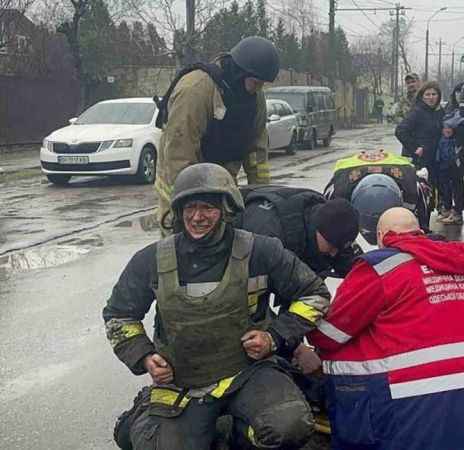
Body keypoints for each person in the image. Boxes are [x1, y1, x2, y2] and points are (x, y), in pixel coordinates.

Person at [104, 163, 331, 450]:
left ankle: (235, 434)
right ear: (178, 211)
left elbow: (315, 295)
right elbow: (119, 316)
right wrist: (145, 357)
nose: (198, 217)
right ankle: (163, 418)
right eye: (190, 208)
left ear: (226, 209)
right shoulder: (150, 260)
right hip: (182, 381)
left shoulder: (262, 250)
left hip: (249, 372)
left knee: (290, 426)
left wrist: (274, 337)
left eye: (208, 208)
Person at [308, 207, 464, 450]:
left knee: (339, 354)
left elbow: (329, 335)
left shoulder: (381, 266)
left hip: (411, 402)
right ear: (420, 231)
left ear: (381, 235)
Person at [154, 36, 279, 234]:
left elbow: (257, 151)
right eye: (256, 83)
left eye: (262, 84)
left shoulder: (254, 97)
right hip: (179, 182)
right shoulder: (195, 90)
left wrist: (262, 198)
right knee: (183, 247)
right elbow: (179, 156)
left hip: (220, 181)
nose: (258, 89)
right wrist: (189, 204)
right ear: (240, 73)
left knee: (222, 245)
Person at [238, 185, 361, 279]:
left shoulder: (336, 227)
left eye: (339, 248)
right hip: (238, 247)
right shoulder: (270, 236)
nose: (334, 254)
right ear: (318, 231)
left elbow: (358, 270)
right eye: (331, 246)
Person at [325, 148, 432, 240]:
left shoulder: (343, 177)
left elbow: (328, 205)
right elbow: (421, 199)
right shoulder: (405, 171)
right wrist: (422, 229)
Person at [395, 81, 444, 200]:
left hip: (433, 158)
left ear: (438, 96)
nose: (431, 97)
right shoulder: (417, 112)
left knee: (432, 190)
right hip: (418, 160)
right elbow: (400, 131)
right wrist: (415, 148)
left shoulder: (439, 112)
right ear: (422, 96)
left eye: (434, 94)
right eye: (427, 94)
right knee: (418, 193)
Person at [435, 111, 464, 225]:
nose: (446, 130)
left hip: (454, 165)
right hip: (444, 166)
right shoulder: (442, 140)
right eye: (445, 128)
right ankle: (448, 209)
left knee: (457, 185)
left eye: (449, 128)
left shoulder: (456, 142)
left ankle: (457, 212)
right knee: (446, 186)